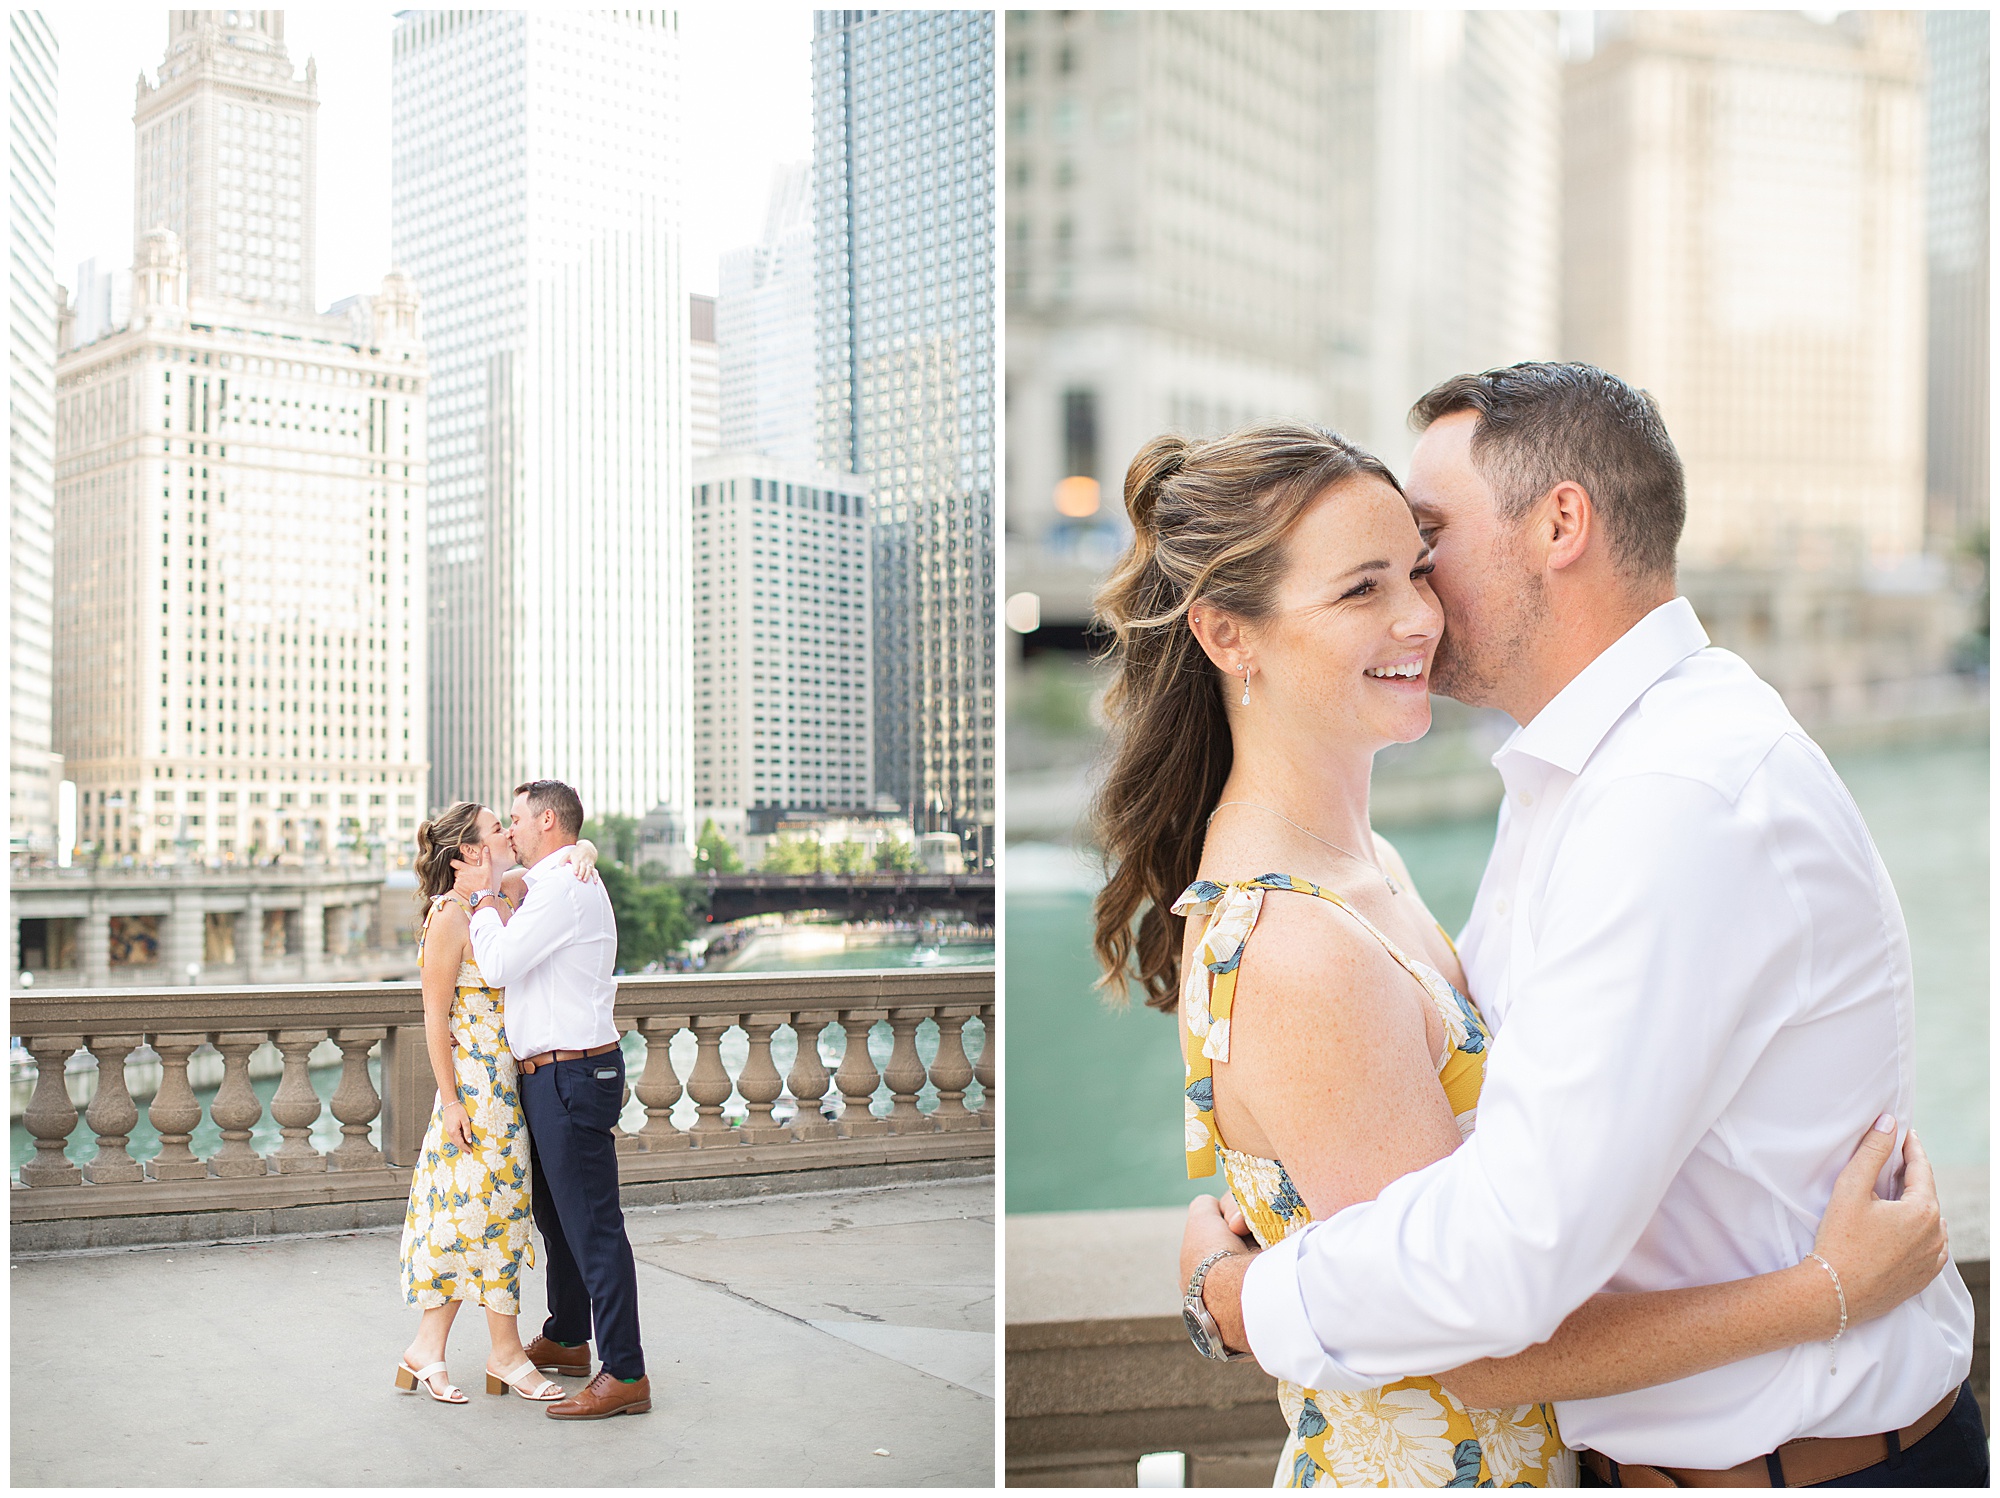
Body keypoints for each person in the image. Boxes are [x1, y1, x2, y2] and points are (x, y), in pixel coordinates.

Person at [1084, 393, 1968, 1485]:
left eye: (1423, 553)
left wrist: (1238, 1299)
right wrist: (1823, 1290)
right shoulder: (1368, 897)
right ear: (1225, 633)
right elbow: (1480, 1322)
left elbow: (1495, 1262)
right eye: (1367, 582)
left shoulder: (1657, 794)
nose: (1420, 607)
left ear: (1558, 525)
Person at [459, 778, 652, 1421]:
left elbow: (499, 964)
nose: (508, 831)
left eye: (516, 819)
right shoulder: (558, 881)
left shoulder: (566, 887)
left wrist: (486, 895)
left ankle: (624, 1370)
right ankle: (569, 1336)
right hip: (549, 1076)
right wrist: (507, 886)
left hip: (574, 1075)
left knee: (594, 1226)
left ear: (546, 821)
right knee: (558, 1219)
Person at [395, 801, 597, 1405]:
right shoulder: (450, 917)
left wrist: (584, 850)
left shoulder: (506, 891)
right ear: (470, 853)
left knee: (475, 1216)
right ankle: (505, 1354)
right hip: (477, 1092)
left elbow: (566, 860)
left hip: (509, 1083)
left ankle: (426, 1349)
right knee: (495, 1215)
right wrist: (451, 1102)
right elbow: (433, 1020)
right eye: (494, 830)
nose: (508, 834)